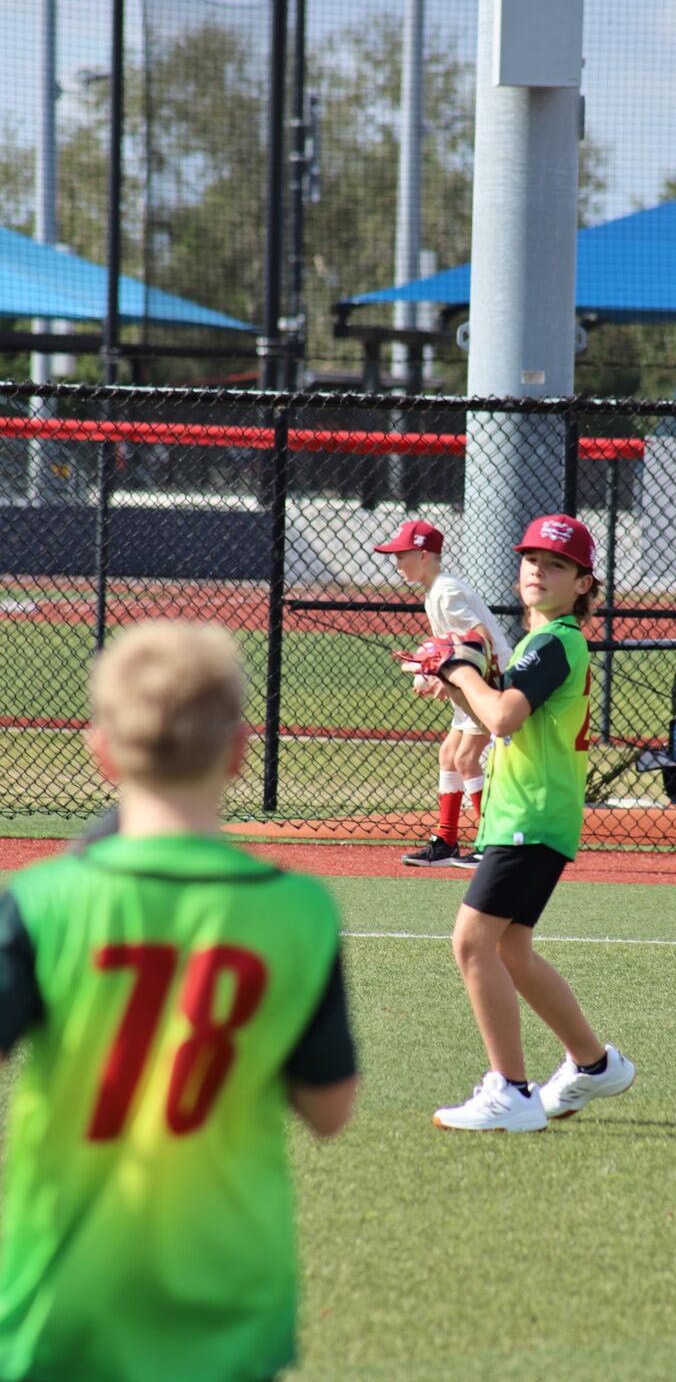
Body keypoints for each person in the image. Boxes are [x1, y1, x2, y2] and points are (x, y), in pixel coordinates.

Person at [0, 620, 358, 1382]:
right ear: (238, 751)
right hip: (229, 1294)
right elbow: (330, 1110)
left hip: (63, 1293)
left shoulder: (42, 900)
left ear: (102, 751)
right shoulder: (299, 910)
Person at [425, 514, 635, 1132]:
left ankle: (512, 1092)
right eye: (532, 559)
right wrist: (457, 686)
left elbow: (503, 718)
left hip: (530, 817)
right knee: (510, 949)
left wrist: (459, 668)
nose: (539, 569)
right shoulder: (539, 644)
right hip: (530, 816)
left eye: (557, 564)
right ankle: (594, 1065)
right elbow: (502, 717)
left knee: (472, 942)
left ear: (582, 584)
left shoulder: (554, 641)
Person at [374, 518, 510, 869]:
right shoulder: (436, 591)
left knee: (466, 758)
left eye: (400, 555)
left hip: (488, 682)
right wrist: (438, 673)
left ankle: (493, 842)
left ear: (422, 555)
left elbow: (480, 640)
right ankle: (447, 841)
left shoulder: (446, 592)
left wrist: (450, 679)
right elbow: (455, 648)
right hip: (472, 680)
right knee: (449, 754)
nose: (396, 563)